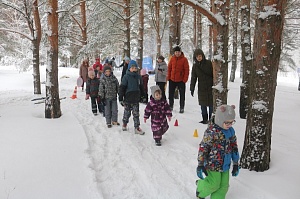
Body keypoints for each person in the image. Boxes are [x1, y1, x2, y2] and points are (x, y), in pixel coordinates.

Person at [196, 105, 240, 199]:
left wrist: (235, 163)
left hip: (226, 164)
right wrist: (200, 163)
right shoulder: (212, 132)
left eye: (232, 122)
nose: (229, 125)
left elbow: (234, 147)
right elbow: (204, 147)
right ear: (220, 120)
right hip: (213, 164)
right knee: (214, 184)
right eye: (227, 123)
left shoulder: (231, 131)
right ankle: (200, 188)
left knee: (223, 186)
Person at [119, 60, 145, 135]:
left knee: (136, 114)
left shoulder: (138, 77)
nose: (134, 69)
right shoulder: (126, 77)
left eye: (135, 68)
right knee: (127, 113)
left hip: (136, 99)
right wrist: (121, 98)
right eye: (132, 68)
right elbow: (122, 88)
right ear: (129, 68)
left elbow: (141, 87)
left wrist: (143, 96)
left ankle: (137, 127)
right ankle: (124, 123)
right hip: (128, 99)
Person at [190, 49, 214, 124]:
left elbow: (213, 73)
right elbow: (193, 78)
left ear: (202, 56)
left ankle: (211, 119)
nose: (199, 58)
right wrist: (192, 88)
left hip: (210, 85)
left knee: (211, 103)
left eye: (200, 56)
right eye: (197, 56)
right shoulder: (195, 66)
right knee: (202, 104)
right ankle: (204, 119)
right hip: (201, 87)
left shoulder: (209, 63)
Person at [167, 46, 189, 113]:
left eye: (178, 52)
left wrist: (184, 79)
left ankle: (182, 107)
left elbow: (187, 70)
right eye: (176, 52)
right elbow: (169, 68)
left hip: (181, 80)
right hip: (172, 79)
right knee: (171, 94)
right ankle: (170, 106)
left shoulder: (184, 59)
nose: (177, 53)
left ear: (180, 52)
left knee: (182, 95)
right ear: (174, 53)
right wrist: (169, 77)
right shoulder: (172, 59)